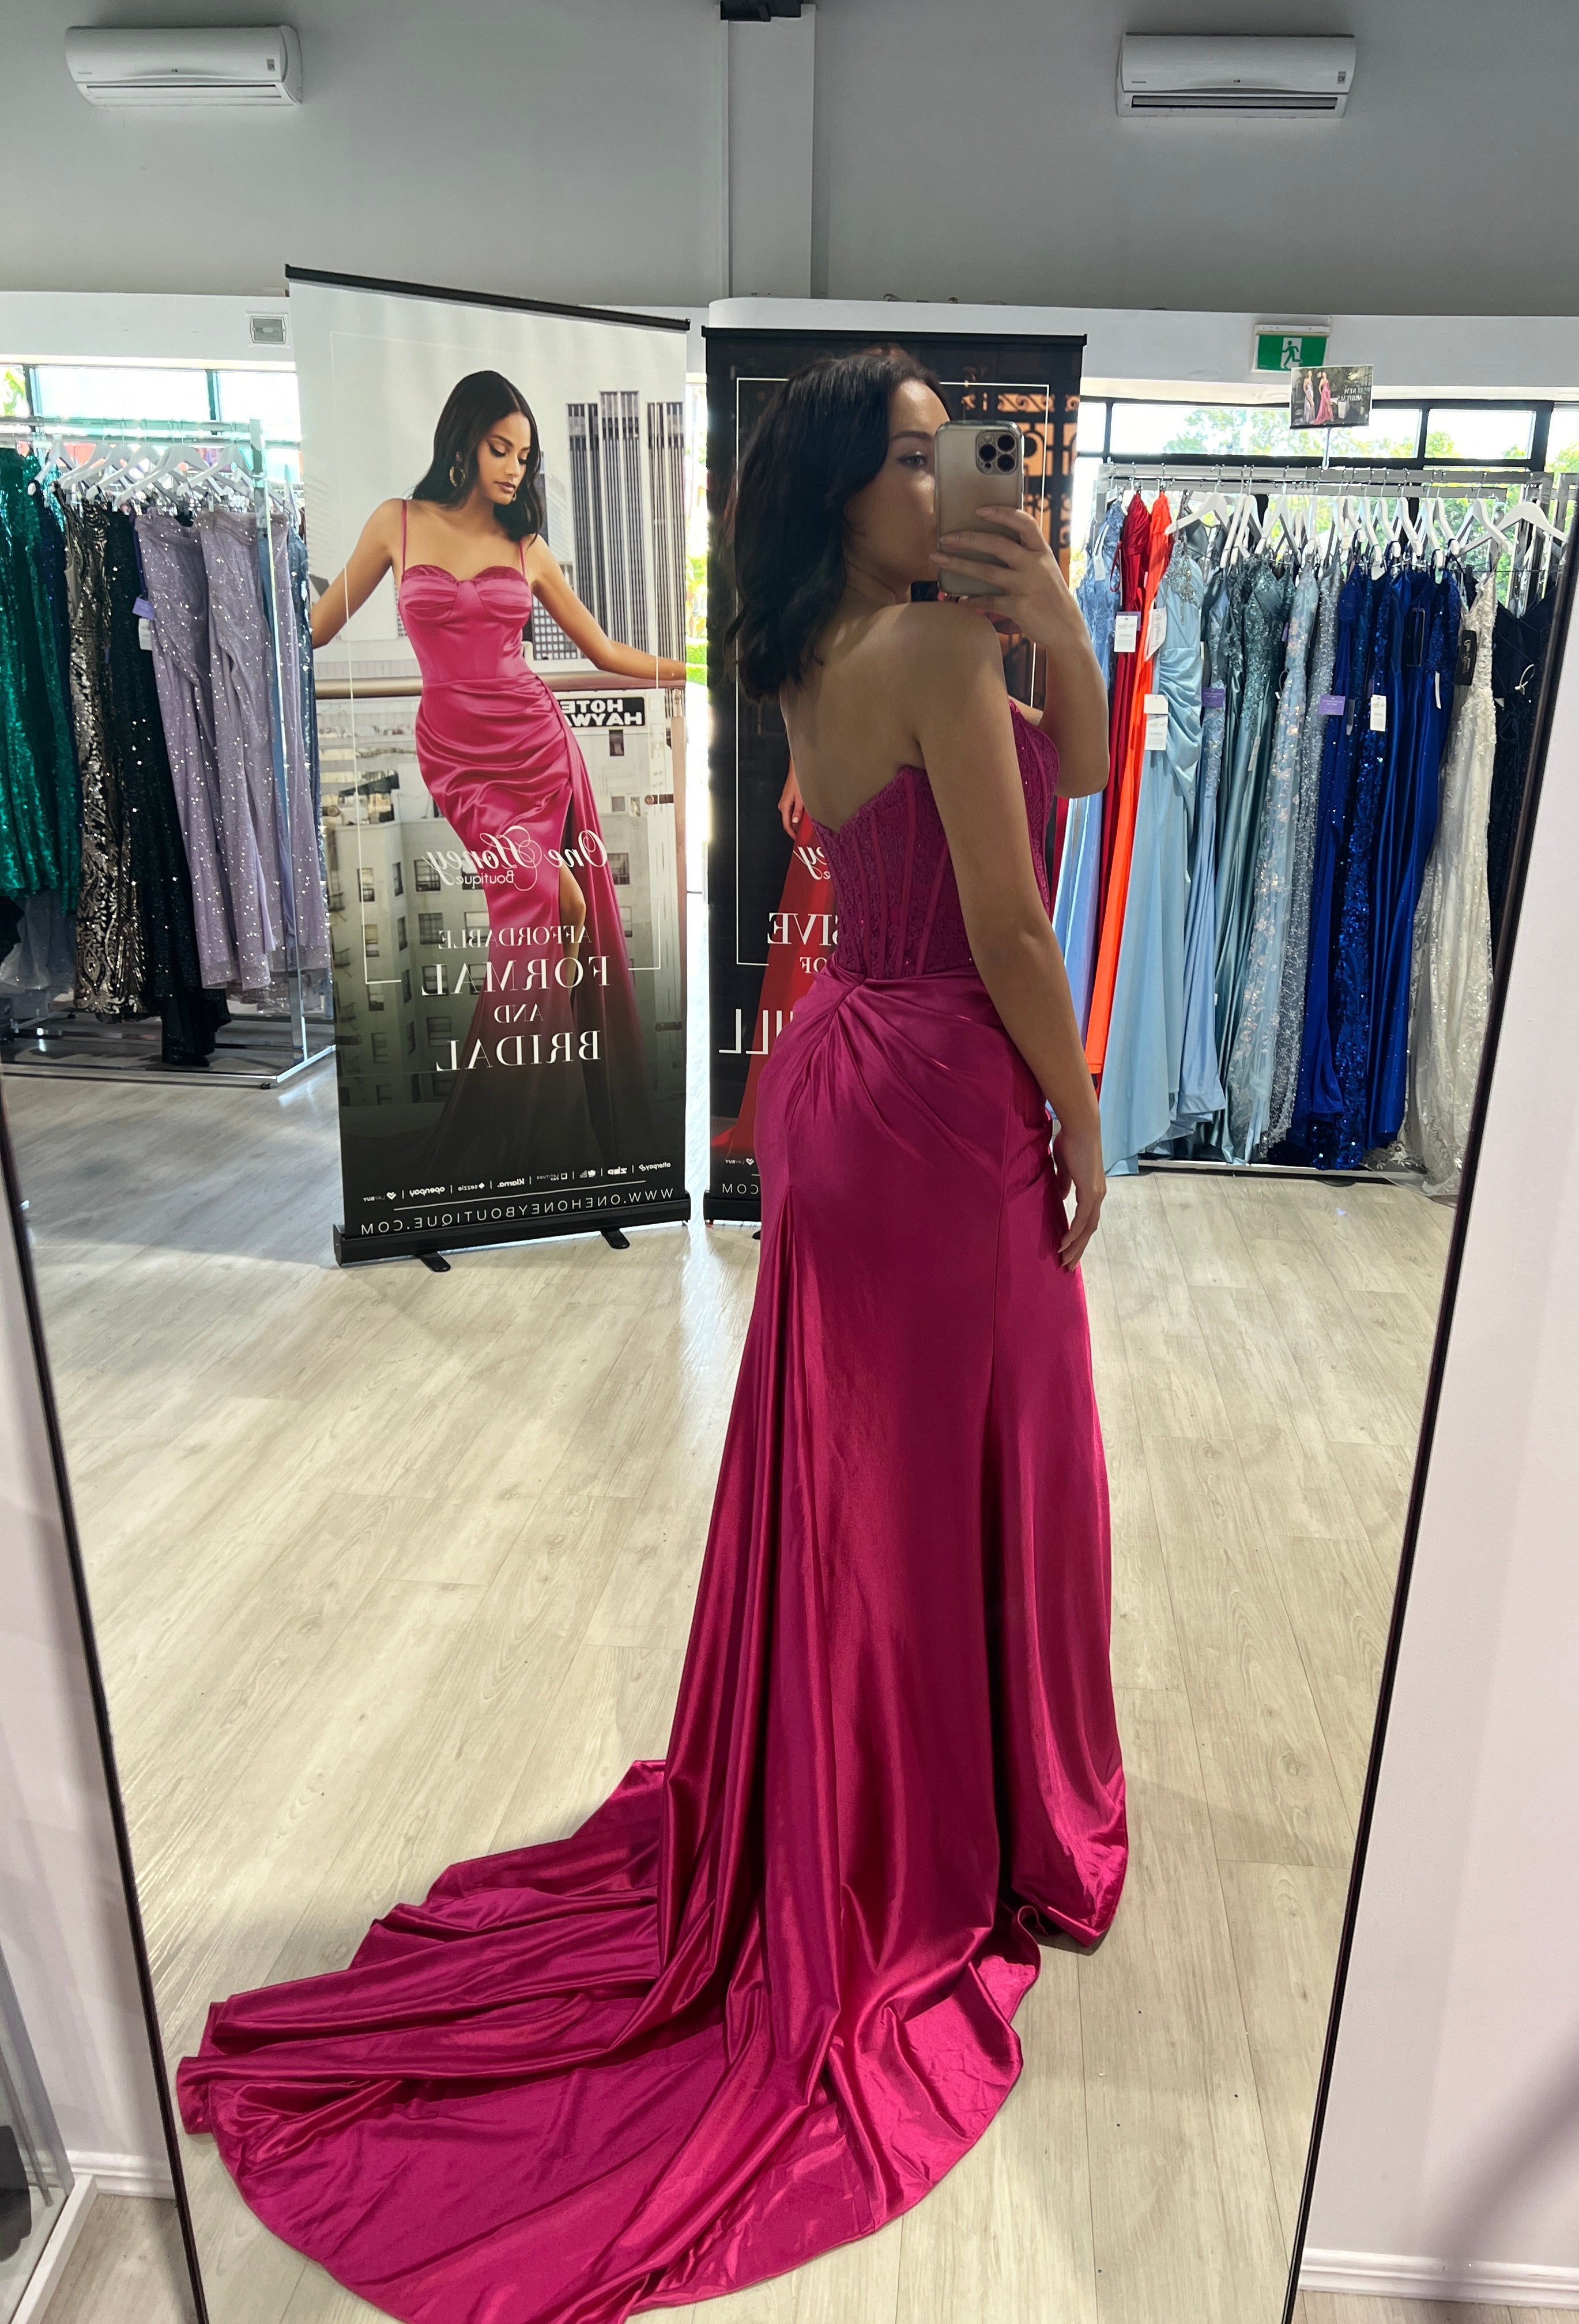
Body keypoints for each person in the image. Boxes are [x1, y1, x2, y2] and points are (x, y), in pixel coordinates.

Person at [176, 346, 1128, 2324]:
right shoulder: (937, 660)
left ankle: (858, 1794)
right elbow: (1025, 919)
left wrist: (1049, 617)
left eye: (953, 446)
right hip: (951, 1095)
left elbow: (1084, 774)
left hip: (845, 1082)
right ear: (845, 486)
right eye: (913, 451)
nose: (944, 470)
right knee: (982, 1460)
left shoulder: (829, 639)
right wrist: (1083, 1107)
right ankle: (941, 1838)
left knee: (862, 1480)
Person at [310, 370, 682, 1174]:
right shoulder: (396, 525)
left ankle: (548, 1116)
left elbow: (605, 652)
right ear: (463, 443)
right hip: (458, 758)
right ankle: (526, 1118)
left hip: (538, 746)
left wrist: (699, 670)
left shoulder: (527, 549)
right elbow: (317, 627)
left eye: (524, 454)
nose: (513, 467)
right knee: (553, 903)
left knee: (550, 919)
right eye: (498, 448)